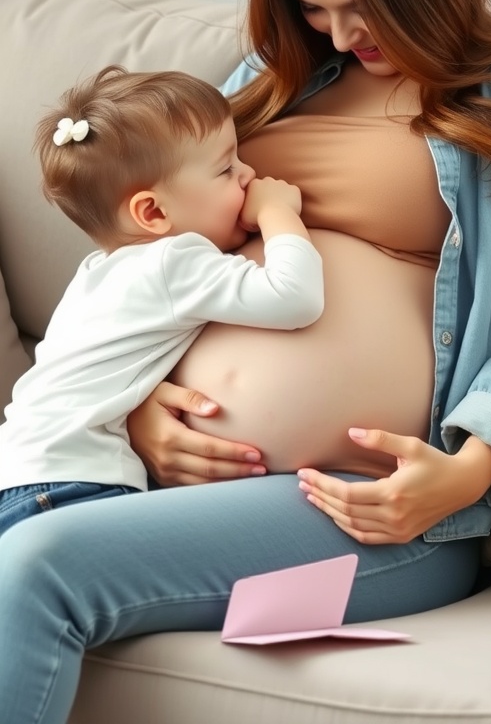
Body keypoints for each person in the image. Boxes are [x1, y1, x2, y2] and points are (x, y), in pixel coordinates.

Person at [2, 0, 491, 723]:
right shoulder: (272, 80)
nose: (341, 35)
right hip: (144, 472)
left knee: (38, 568)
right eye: (314, 8)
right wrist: (137, 406)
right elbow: (144, 251)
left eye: (362, 7)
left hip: (366, 507)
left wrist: (470, 470)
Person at [0, 64, 323, 537]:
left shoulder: (96, 272)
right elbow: (295, 298)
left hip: (21, 475)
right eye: (226, 168)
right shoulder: (173, 259)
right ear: (152, 212)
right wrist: (278, 212)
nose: (249, 174)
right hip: (76, 484)